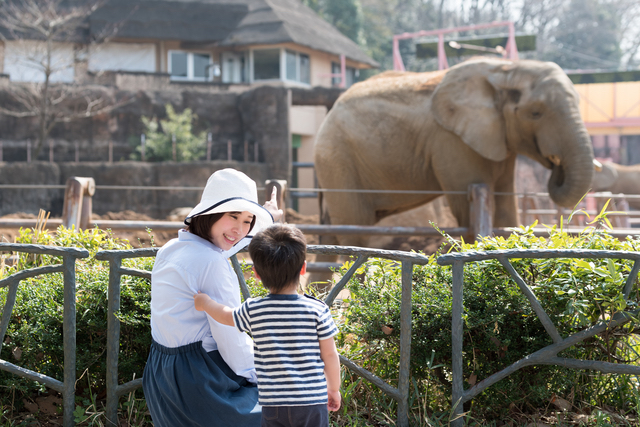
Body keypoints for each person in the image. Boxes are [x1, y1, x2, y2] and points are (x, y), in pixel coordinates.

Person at [142, 168, 282, 427]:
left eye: (248, 220)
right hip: (201, 382)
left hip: (161, 377)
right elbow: (232, 338)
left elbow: (220, 246)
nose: (241, 229)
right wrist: (264, 376)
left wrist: (269, 220)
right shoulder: (211, 264)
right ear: (211, 214)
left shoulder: (172, 248)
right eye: (234, 216)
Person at [194, 224, 341, 427]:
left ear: (256, 273)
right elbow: (330, 355)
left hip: (274, 405)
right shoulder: (317, 309)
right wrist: (333, 389)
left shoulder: (254, 309)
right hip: (312, 402)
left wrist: (205, 303)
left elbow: (226, 316)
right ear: (303, 268)